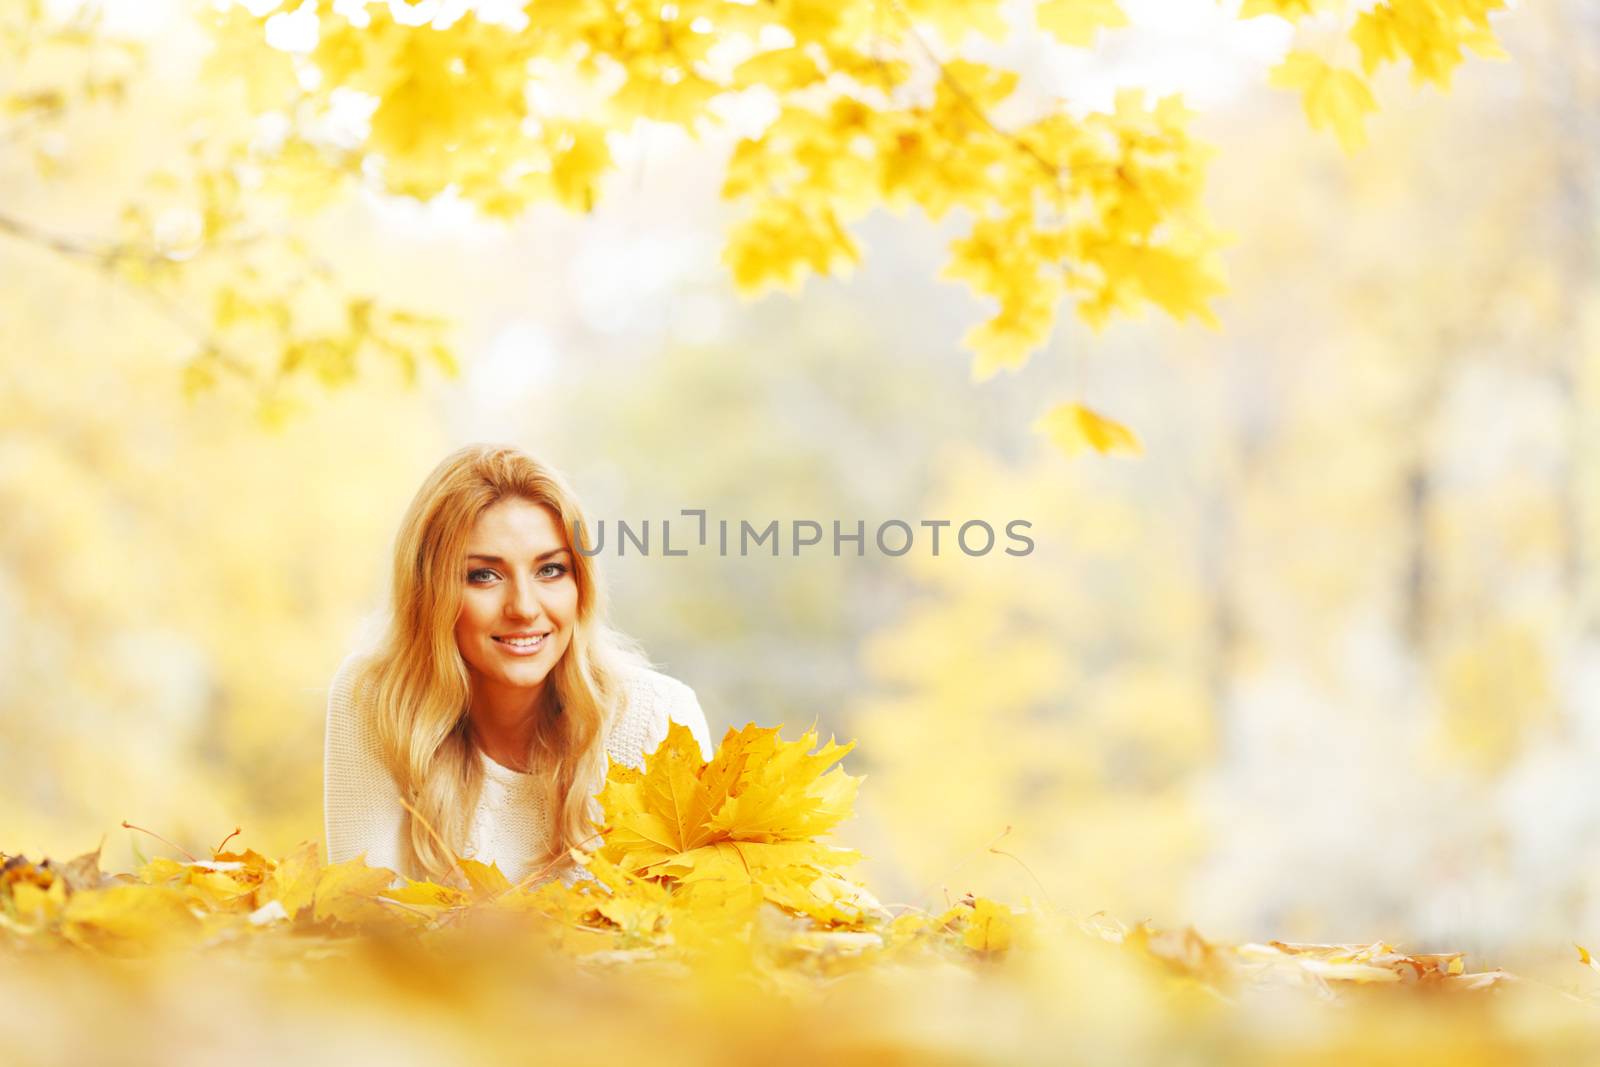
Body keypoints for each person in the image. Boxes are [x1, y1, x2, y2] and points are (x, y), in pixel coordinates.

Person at [324, 443, 713, 887]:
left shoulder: (656, 718)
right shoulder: (377, 699)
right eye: (483, 575)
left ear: (581, 584)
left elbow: (695, 934)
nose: (525, 608)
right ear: (429, 594)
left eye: (550, 570)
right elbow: (360, 917)